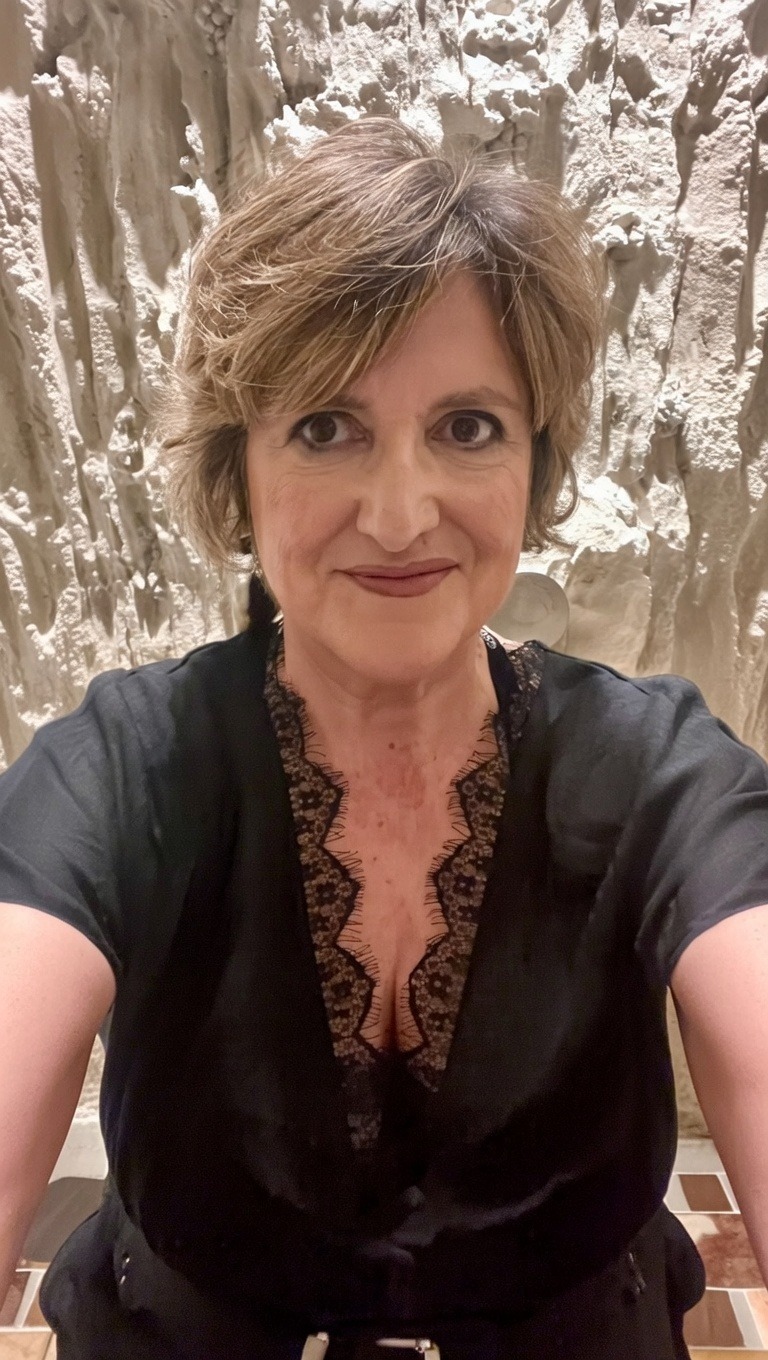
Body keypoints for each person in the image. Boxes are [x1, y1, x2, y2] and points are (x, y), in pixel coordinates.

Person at [0, 116, 767, 1360]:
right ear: (240, 471)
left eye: (466, 426)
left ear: (534, 460)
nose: (403, 514)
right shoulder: (121, 770)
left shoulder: (660, 773)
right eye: (325, 427)